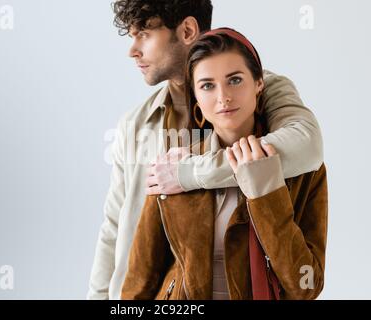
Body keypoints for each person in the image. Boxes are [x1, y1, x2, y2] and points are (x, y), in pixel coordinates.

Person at [87, 0, 324, 300]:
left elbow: (307, 144)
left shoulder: (266, 90)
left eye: (144, 33)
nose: (132, 50)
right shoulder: (135, 125)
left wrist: (189, 174)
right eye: (207, 86)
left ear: (187, 30)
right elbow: (115, 226)